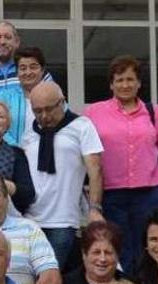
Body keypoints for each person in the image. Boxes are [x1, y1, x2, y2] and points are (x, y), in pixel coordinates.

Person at [84, 56, 158, 274]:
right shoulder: (94, 112)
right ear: (111, 84)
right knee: (119, 248)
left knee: (149, 246)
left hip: (150, 192)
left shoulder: (153, 111)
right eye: (119, 80)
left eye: (130, 79)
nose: (125, 85)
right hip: (111, 194)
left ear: (139, 83)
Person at [24, 81, 104, 271]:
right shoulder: (29, 133)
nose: (44, 116)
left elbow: (96, 170)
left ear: (62, 102)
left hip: (63, 219)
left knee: (50, 276)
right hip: (30, 219)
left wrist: (94, 208)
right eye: (37, 111)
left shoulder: (81, 126)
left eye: (49, 109)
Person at [0, 46, 49, 146]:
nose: (28, 72)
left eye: (33, 67)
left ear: (42, 70)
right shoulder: (6, 97)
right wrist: (18, 149)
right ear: (17, 72)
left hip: (47, 155)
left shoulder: (53, 96)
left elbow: (64, 125)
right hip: (14, 155)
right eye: (23, 68)